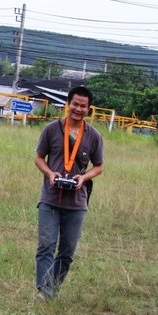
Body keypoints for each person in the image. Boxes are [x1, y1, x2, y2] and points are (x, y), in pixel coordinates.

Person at [34, 85, 104, 300]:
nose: (78, 109)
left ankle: (51, 289)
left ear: (88, 109)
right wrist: (50, 173)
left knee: (67, 252)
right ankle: (44, 291)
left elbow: (98, 166)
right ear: (68, 104)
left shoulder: (94, 136)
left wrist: (83, 178)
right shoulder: (51, 129)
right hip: (50, 198)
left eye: (83, 106)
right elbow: (39, 158)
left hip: (76, 203)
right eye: (75, 104)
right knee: (46, 246)